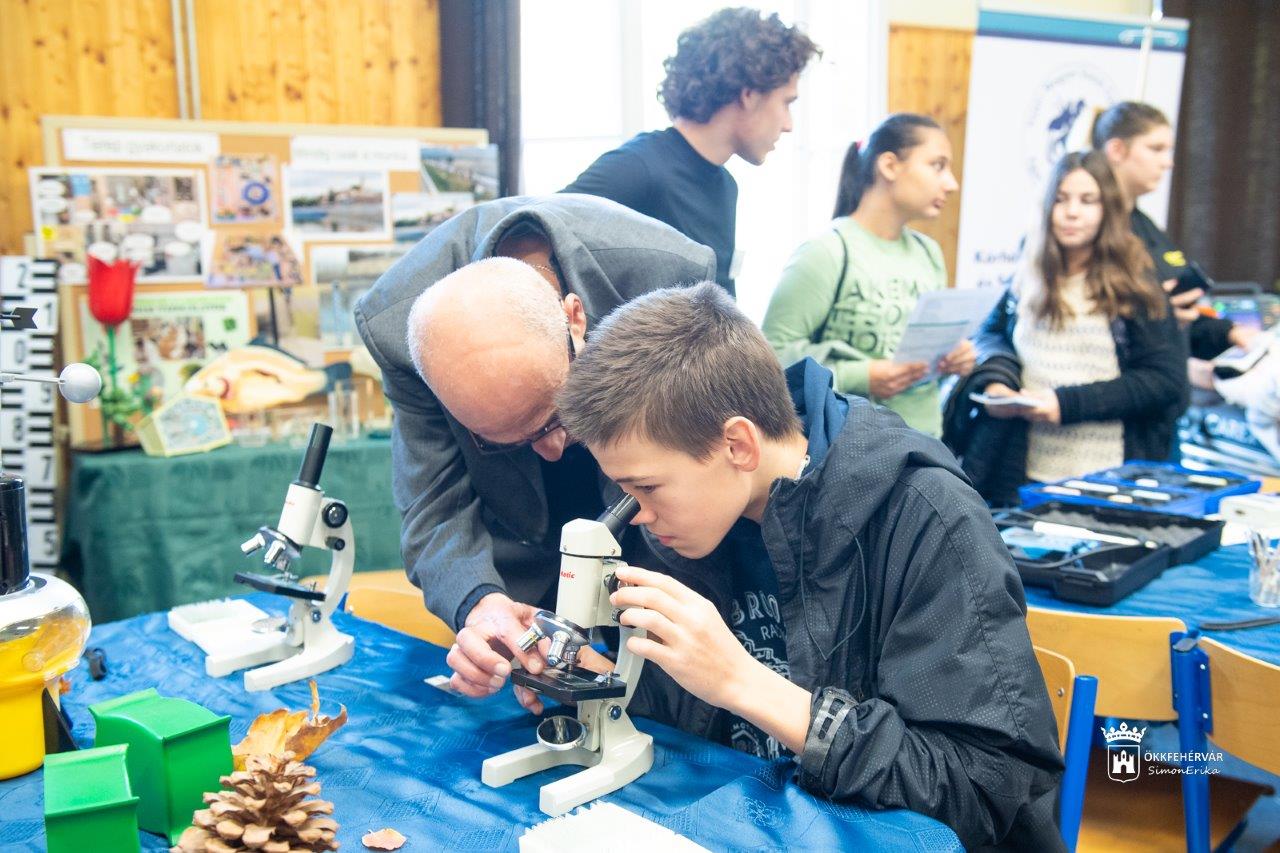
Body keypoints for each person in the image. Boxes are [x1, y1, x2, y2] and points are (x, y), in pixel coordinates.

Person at [554, 282, 1064, 850]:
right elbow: (685, 722)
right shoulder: (693, 515)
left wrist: (744, 683)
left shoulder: (927, 518)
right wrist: (591, 680)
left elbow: (983, 791)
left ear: (738, 445)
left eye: (646, 487)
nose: (638, 515)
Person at [353, 194, 715, 703]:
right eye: (509, 441)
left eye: (556, 418)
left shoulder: (669, 277)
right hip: (522, 548)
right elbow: (433, 504)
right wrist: (481, 604)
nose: (553, 450)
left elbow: (704, 477)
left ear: (575, 319)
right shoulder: (397, 328)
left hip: (653, 532)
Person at [945, 150, 1187, 504]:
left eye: (1087, 201)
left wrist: (1065, 403)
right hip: (1022, 474)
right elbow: (990, 334)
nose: (1072, 212)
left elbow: (1165, 380)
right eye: (1060, 199)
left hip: (1107, 482)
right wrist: (998, 381)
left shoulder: (1135, 284)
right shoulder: (1028, 273)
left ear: (1108, 209)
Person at [562, 7, 819, 296]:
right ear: (750, 94)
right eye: (786, 103)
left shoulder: (725, 186)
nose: (788, 125)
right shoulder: (640, 168)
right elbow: (537, 226)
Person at [761, 114, 972, 437]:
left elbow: (920, 361)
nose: (951, 184)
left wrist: (952, 359)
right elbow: (772, 360)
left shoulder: (928, 252)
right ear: (889, 166)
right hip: (852, 447)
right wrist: (864, 376)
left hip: (926, 444)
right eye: (937, 166)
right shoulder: (826, 252)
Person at [1092, 100, 1256, 359]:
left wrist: (1228, 332)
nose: (1167, 163)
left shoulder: (1144, 225)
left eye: (1168, 151)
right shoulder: (1089, 228)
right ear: (1117, 150)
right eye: (1156, 149)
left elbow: (1179, 311)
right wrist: (1157, 319)